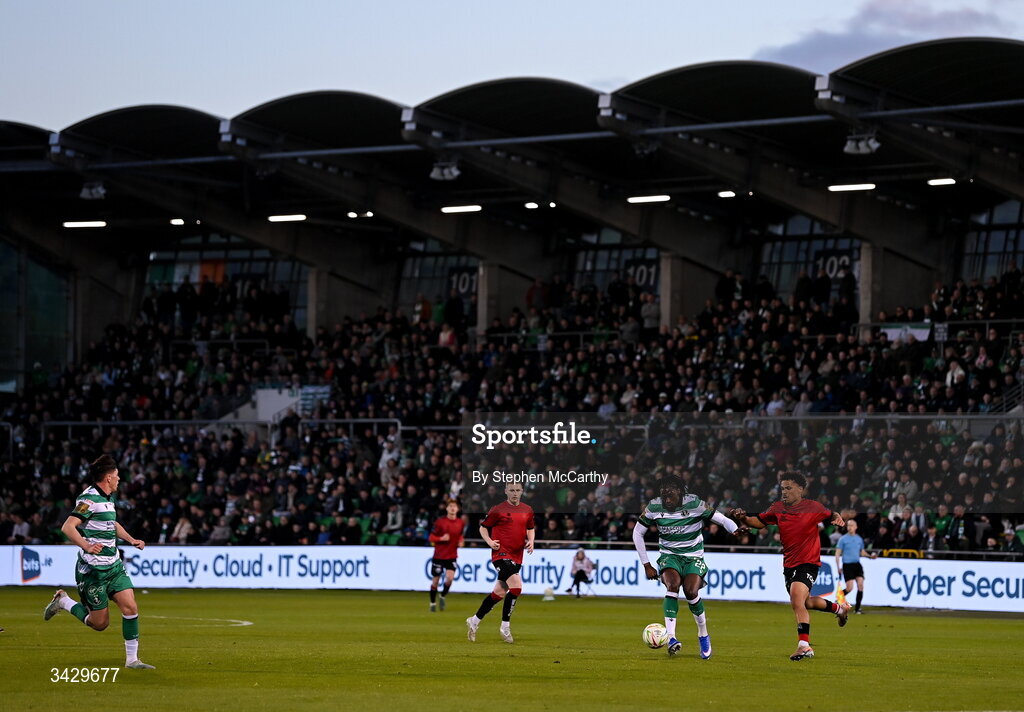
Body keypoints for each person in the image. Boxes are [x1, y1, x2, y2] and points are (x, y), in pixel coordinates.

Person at [42, 455, 155, 669]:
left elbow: (112, 524)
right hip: (93, 571)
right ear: (109, 477)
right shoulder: (89, 499)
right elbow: (68, 527)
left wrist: (131, 540)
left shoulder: (108, 498)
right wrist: (86, 546)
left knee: (130, 607)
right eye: (117, 476)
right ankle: (64, 601)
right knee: (99, 624)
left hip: (113, 566)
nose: (120, 479)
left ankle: (132, 660)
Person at [730, 471, 850, 661]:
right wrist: (743, 517)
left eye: (788, 488)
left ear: (800, 490)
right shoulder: (777, 508)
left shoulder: (813, 507)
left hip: (809, 563)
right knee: (805, 602)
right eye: (782, 488)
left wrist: (837, 518)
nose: (784, 492)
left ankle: (804, 646)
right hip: (789, 564)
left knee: (796, 599)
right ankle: (839, 609)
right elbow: (759, 523)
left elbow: (830, 514)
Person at [632, 475, 742, 659]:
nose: (666, 500)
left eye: (670, 496)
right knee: (672, 585)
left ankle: (703, 634)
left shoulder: (695, 504)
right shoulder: (654, 507)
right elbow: (637, 533)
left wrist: (735, 530)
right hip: (669, 556)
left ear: (681, 493)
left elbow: (722, 520)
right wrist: (646, 564)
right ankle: (671, 638)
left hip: (693, 556)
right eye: (664, 496)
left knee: (691, 591)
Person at [466, 482, 535, 644]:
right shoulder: (498, 509)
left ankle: (474, 620)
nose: (515, 493)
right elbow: (483, 528)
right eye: (511, 490)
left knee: (499, 593)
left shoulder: (527, 509)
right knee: (517, 587)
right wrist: (490, 542)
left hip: (517, 555)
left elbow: (530, 527)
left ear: (522, 491)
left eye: (518, 490)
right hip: (501, 554)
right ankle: (505, 627)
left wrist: (531, 541)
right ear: (506, 491)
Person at [428, 498, 464, 612]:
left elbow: (460, 535)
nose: (453, 508)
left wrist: (461, 541)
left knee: (449, 579)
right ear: (447, 508)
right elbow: (431, 537)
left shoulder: (460, 522)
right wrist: (440, 538)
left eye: (455, 506)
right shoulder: (440, 522)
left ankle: (442, 596)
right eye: (450, 506)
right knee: (435, 581)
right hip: (439, 555)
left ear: (457, 509)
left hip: (452, 555)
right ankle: (432, 603)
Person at [835, 519, 877, 614]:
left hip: (857, 565)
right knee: (849, 588)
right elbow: (837, 554)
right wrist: (838, 567)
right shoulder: (843, 539)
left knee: (861, 585)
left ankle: (857, 609)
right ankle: (838, 598)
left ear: (856, 527)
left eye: (851, 525)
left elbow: (862, 552)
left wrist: (870, 556)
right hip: (847, 565)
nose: (849, 527)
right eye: (848, 525)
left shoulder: (859, 539)